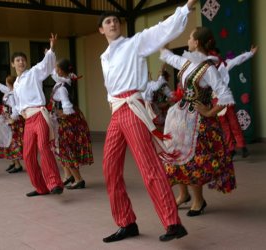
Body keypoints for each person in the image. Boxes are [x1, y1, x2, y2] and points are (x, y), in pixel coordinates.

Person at [98, 0, 198, 243]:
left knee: (149, 167)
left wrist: (185, 8)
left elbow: (161, 30)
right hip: (116, 112)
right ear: (101, 30)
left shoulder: (134, 43)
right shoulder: (104, 56)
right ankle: (126, 223)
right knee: (109, 169)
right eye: (107, 22)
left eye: (115, 20)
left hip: (133, 108)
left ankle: (172, 222)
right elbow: (110, 87)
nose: (112, 23)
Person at [160, 27, 236, 217]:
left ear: (197, 43)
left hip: (198, 121)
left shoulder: (209, 68)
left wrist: (210, 112)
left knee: (193, 160)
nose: (188, 39)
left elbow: (225, 95)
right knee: (176, 155)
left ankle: (198, 200)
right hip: (181, 116)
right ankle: (183, 195)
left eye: (190, 37)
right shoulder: (188, 62)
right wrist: (168, 33)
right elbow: (165, 54)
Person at [11, 33, 64, 197]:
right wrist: (13, 117)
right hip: (28, 120)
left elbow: (45, 66)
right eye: (18, 60)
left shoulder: (33, 72)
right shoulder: (15, 83)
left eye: (23, 59)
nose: (21, 62)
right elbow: (17, 104)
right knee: (27, 155)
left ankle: (54, 183)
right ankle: (41, 187)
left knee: (43, 146)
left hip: (39, 115)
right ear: (13, 64)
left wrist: (52, 48)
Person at [49, 59, 93, 189]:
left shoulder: (62, 88)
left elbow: (67, 108)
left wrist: (59, 114)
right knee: (61, 149)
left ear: (61, 71)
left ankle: (78, 179)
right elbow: (53, 74)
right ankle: (68, 176)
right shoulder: (64, 80)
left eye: (56, 68)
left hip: (67, 122)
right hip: (68, 121)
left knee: (66, 149)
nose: (55, 70)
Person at [214, 45, 258, 158]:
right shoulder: (207, 69)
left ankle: (242, 146)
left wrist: (250, 53)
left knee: (233, 122)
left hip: (226, 98)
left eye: (216, 55)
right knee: (224, 125)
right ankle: (231, 148)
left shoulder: (225, 64)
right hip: (216, 100)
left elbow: (237, 60)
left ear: (218, 55)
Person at [0, 75, 24, 173]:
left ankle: (17, 164)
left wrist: (12, 119)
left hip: (11, 121)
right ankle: (13, 162)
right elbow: (4, 88)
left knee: (11, 142)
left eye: (6, 81)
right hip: (7, 119)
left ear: (9, 83)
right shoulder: (10, 91)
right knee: (7, 141)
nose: (5, 83)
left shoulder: (12, 94)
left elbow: (15, 108)